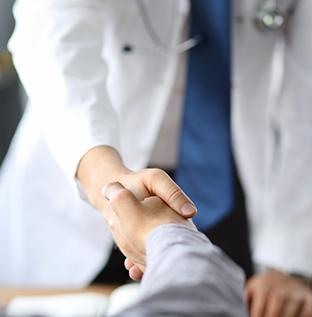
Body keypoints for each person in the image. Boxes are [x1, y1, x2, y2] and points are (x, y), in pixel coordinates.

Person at [1, 1, 312, 316]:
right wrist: (105, 179)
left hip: (231, 187)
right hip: (84, 169)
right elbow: (50, 27)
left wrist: (289, 262)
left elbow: (307, 105)